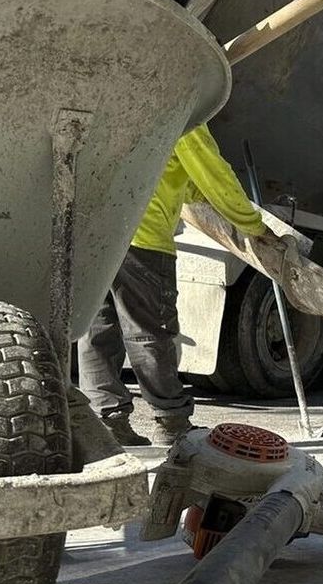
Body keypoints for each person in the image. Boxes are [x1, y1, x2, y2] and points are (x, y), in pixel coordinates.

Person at [78, 124, 269, 446]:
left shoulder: (117, 102)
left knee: (97, 331)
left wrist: (190, 189)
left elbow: (182, 179)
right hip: (143, 237)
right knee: (150, 331)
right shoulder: (184, 105)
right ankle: (171, 422)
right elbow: (213, 173)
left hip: (92, 234)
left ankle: (107, 424)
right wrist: (253, 226)